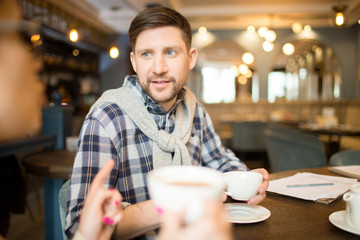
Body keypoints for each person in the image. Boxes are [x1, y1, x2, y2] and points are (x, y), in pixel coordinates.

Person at [66, 6, 269, 240]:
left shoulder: (195, 109)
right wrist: (174, 204)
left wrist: (244, 180)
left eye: (170, 52)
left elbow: (219, 160)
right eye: (147, 54)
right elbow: (79, 224)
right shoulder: (106, 117)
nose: (159, 68)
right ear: (134, 61)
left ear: (191, 58)